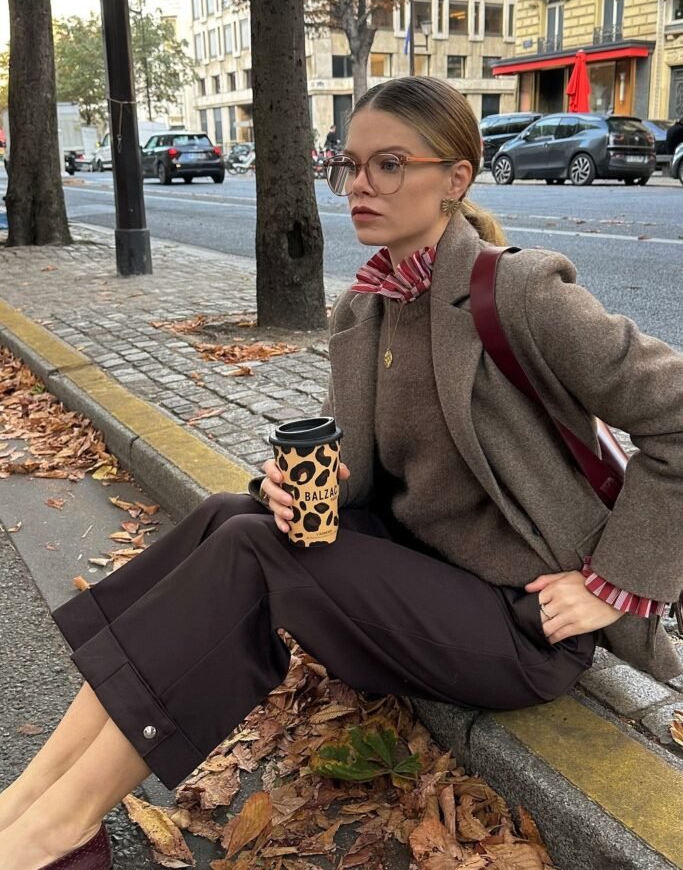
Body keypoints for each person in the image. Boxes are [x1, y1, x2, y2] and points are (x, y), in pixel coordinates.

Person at [1, 76, 682, 870]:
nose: (359, 184)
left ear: (455, 178)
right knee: (231, 516)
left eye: (389, 164)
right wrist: (290, 487)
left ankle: (60, 831)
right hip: (425, 579)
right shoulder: (367, 307)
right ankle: (30, 798)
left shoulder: (520, 292)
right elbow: (352, 470)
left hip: (521, 623)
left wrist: (610, 585)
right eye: (348, 164)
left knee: (252, 555)